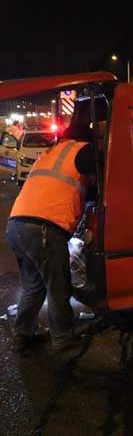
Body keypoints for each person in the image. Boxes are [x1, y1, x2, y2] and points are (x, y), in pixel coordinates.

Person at [6, 125, 96, 352]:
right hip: (44, 228)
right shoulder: (83, 150)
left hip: (16, 225)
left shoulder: (50, 153)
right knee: (58, 287)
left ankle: (23, 335)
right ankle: (63, 338)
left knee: (33, 286)